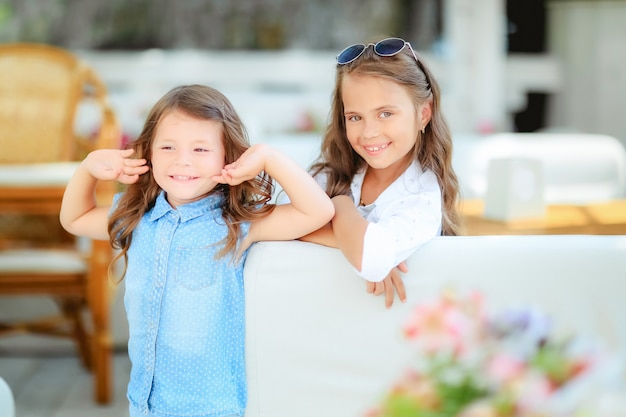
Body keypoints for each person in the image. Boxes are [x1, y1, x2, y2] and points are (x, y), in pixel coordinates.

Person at [59, 84, 334, 417]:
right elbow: (74, 219)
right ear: (148, 152)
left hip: (212, 407)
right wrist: (87, 168)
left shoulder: (236, 224)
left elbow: (317, 211)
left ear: (227, 158)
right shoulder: (137, 218)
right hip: (145, 402)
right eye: (168, 147)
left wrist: (269, 158)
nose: (182, 160)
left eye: (201, 149)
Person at [301, 37, 463, 308]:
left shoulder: (420, 197)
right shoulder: (333, 174)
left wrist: (337, 208)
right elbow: (266, 221)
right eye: (355, 117)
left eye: (385, 113)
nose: (369, 132)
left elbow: (371, 260)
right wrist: (350, 240)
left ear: (424, 113)